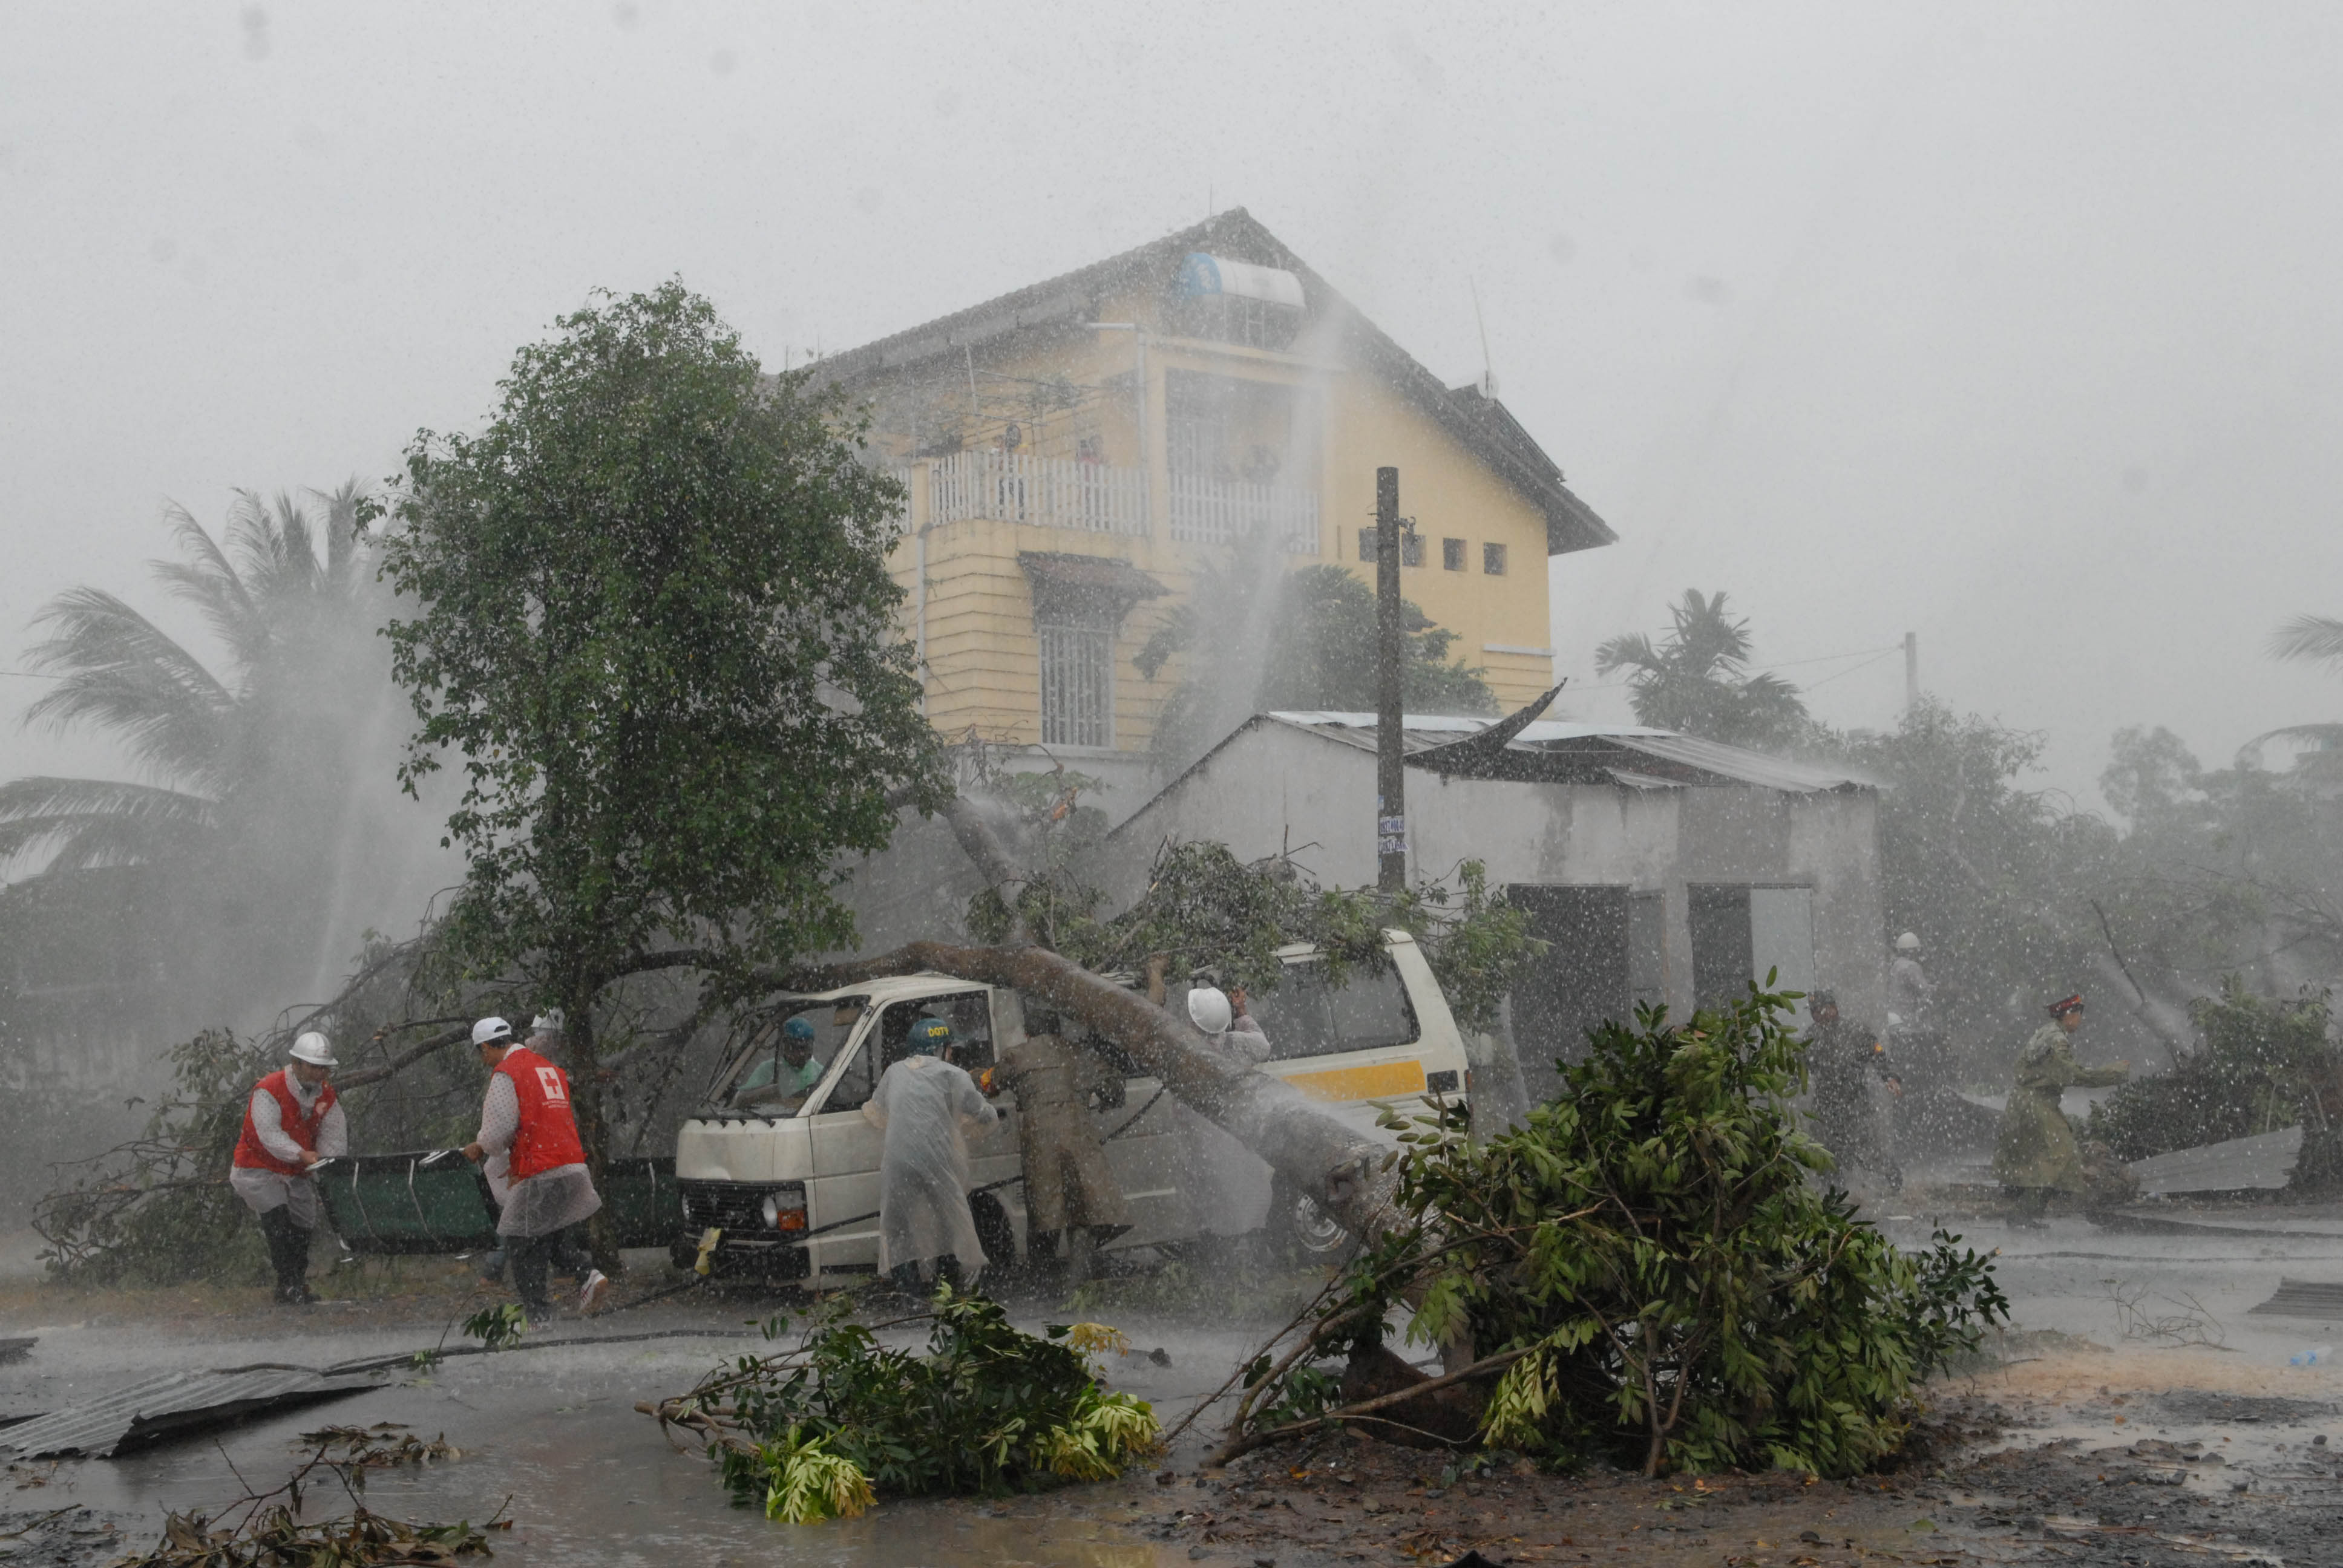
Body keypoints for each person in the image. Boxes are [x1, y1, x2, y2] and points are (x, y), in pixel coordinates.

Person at [462, 1016, 608, 1323]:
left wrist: (479, 1146)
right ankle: (589, 1276)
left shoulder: (507, 1072)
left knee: (521, 1242)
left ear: (486, 1047)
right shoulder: (547, 1068)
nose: (483, 1060)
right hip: (569, 1162)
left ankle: (539, 1318)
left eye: (481, 1053)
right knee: (549, 1234)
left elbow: (498, 1132)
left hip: (539, 1168)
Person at [994, 1002, 1129, 1284]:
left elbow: (991, 1083)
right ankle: (1076, 1285)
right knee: (1082, 1214)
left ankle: (1041, 1284)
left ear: (1028, 1033)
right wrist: (1106, 1100)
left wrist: (975, 1075)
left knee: (1044, 1217)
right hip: (1079, 1144)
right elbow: (1114, 1088)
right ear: (1058, 1030)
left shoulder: (1017, 1056)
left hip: (1040, 1149)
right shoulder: (1079, 1054)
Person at [865, 1014, 999, 1295]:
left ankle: (909, 1291)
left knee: (899, 1225)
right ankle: (948, 1286)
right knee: (950, 1220)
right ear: (940, 1048)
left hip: (897, 1161)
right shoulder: (954, 1075)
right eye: (949, 1048)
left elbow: (876, 1111)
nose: (951, 1054)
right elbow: (983, 1114)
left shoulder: (893, 1072)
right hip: (937, 1159)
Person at [230, 1030, 347, 1305]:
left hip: (296, 1173)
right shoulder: (269, 1089)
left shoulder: (327, 1096)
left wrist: (326, 1166)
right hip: (257, 1168)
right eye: (314, 1067)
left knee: (303, 1225)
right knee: (278, 1220)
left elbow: (334, 1136)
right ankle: (287, 1283)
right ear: (296, 1064)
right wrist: (300, 1153)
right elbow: (269, 1135)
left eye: (324, 1068)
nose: (320, 1073)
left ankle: (296, 1282)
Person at [1993, 994, 2130, 1215]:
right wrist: (2114, 1072)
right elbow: (2073, 1075)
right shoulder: (2058, 1041)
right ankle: (2026, 1212)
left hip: (2022, 1102)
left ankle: (2023, 1206)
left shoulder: (2045, 1033)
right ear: (2068, 1015)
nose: (2080, 1020)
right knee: (2060, 1155)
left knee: (2034, 1156)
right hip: (2038, 1105)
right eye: (2078, 1014)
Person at [1173, 984, 1276, 1240]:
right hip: (1238, 1142)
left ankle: (1214, 1244)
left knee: (1207, 1202)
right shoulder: (1238, 1044)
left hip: (1203, 1149)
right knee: (1246, 1198)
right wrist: (1242, 1011)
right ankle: (1248, 1243)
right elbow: (1263, 1045)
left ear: (1194, 1022)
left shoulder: (1184, 1050)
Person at [1802, 990, 1901, 1192]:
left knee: (1866, 1150)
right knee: (1826, 1151)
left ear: (1833, 1009)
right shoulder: (1811, 1036)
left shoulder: (1855, 1032)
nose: (1816, 1015)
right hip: (1825, 1105)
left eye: (1820, 1010)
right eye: (1813, 1012)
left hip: (1855, 1104)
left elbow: (1878, 1054)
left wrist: (1889, 1077)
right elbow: (1803, 1064)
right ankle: (1834, 1194)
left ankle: (1892, 1179)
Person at [730, 1015, 828, 1111]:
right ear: (785, 1047)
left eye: (805, 1048)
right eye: (796, 1048)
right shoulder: (767, 1070)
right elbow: (741, 1100)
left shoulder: (821, 1072)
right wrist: (766, 1093)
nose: (802, 1054)